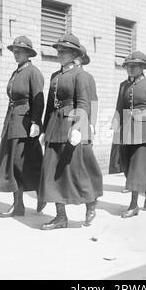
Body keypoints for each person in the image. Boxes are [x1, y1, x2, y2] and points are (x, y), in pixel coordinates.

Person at [38, 33, 103, 230]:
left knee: (76, 171)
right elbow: (50, 105)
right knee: (52, 172)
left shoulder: (81, 76)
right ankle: (60, 217)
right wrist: (43, 128)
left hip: (71, 127)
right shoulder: (55, 76)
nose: (59, 54)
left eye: (64, 51)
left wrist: (78, 127)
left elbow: (84, 103)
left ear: (74, 53)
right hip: (54, 128)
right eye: (58, 50)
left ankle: (91, 203)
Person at [110, 51, 146, 218]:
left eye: (133, 66)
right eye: (128, 66)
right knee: (128, 167)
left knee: (136, 168)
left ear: (142, 67)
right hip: (126, 130)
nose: (130, 68)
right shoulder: (123, 85)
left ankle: (133, 205)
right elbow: (119, 107)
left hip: (145, 130)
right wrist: (114, 127)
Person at [0, 36, 45, 217]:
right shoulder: (16, 72)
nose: (16, 54)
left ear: (28, 53)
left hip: (25, 125)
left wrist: (35, 123)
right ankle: (18, 204)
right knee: (12, 165)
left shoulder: (33, 72)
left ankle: (41, 193)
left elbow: (39, 101)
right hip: (12, 122)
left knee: (25, 164)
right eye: (14, 51)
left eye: (20, 51)